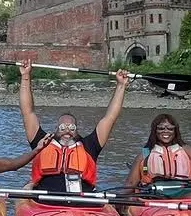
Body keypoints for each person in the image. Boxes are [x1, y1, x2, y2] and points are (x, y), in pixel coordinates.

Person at [18, 59, 130, 193]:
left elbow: (110, 118)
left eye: (72, 128)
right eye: (62, 128)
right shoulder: (42, 143)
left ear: (77, 130)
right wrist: (25, 77)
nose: (67, 131)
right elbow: (27, 112)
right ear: (56, 129)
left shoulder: (90, 145)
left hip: (82, 200)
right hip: (45, 200)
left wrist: (121, 85)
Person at [125, 113, 191, 188]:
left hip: (185, 191)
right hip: (154, 193)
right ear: (154, 131)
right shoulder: (145, 152)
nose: (166, 131)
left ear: (175, 131)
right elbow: (131, 183)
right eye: (161, 128)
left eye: (170, 128)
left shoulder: (188, 150)